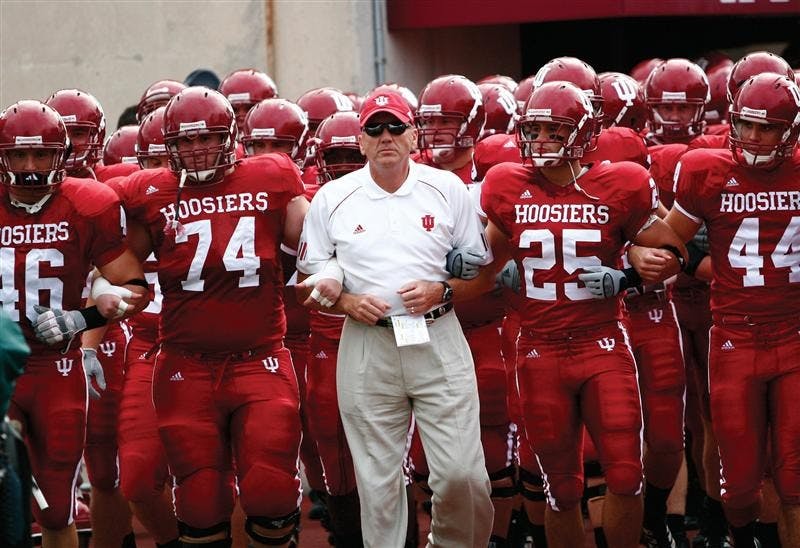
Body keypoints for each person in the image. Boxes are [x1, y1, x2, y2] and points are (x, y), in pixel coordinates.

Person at [475, 81, 687, 548]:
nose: (542, 141)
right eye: (535, 130)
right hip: (538, 347)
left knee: (627, 473)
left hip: (602, 342)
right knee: (562, 489)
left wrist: (631, 275)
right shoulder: (506, 184)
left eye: (554, 130)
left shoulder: (620, 183)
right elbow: (482, 258)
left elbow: (674, 251)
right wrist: (484, 270)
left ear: (584, 133)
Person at [296, 89, 494, 547]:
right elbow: (312, 276)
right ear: (361, 141)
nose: (385, 136)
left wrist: (442, 288)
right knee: (379, 487)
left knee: (463, 476)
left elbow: (483, 272)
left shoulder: (446, 189)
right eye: (374, 129)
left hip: (437, 334)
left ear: (412, 136)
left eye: (395, 127)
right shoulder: (333, 197)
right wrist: (345, 302)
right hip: (369, 341)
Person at [111, 86, 308, 548]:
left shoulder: (272, 174)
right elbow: (117, 258)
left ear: (231, 137)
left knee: (270, 488)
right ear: (169, 147)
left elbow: (317, 240)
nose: (196, 151)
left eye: (207, 139)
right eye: (184, 142)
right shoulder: (153, 190)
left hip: (259, 358)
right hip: (186, 364)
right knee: (199, 499)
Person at [0, 99, 148, 548]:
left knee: (56, 506)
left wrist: (79, 318)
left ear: (61, 157)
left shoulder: (88, 205)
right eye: (18, 155)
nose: (29, 167)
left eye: (41, 154)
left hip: (54, 368)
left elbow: (137, 289)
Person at [664, 72, 800, 548]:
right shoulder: (708, 169)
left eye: (767, 129)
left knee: (794, 478)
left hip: (794, 333)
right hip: (735, 336)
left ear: (791, 131)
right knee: (738, 480)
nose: (754, 138)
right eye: (745, 125)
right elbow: (664, 238)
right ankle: (743, 537)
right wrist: (640, 259)